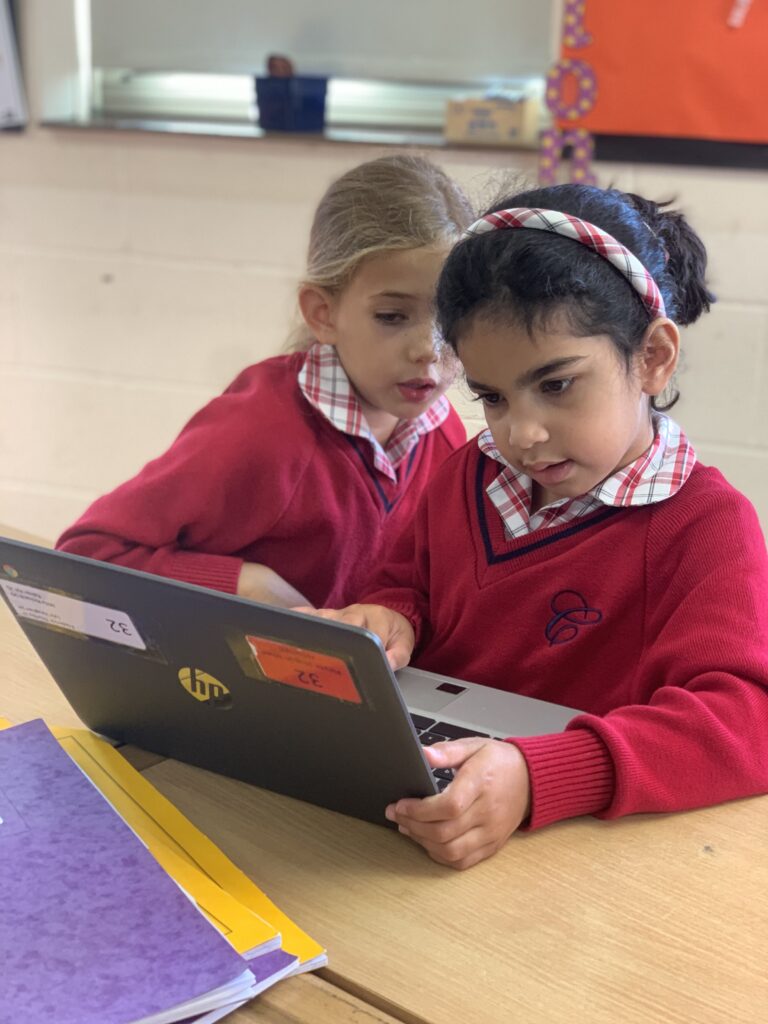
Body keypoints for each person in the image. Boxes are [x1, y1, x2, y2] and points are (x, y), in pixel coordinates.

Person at [311, 184, 768, 869]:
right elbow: (403, 580)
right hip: (430, 812)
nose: (520, 432)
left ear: (652, 359)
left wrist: (541, 774)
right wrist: (388, 614)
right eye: (492, 396)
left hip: (575, 849)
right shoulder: (470, 471)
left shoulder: (706, 524)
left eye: (556, 385)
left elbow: (744, 721)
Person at [56, 155, 472, 608]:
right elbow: (84, 557)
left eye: (451, 317)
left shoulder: (447, 438)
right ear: (322, 313)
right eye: (392, 316)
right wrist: (242, 584)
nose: (430, 349)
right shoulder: (259, 431)